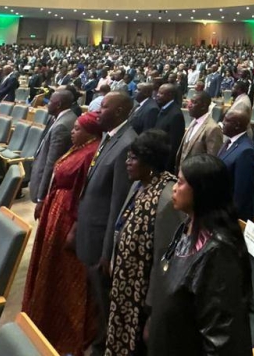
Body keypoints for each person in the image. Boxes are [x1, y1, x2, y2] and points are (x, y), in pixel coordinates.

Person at [148, 154, 253, 356]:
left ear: (201, 190)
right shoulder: (187, 226)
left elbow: (221, 340)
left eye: (180, 182)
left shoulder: (220, 254)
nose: (174, 188)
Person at [23, 111, 103, 355]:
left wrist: (73, 228)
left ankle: (66, 328)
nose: (72, 131)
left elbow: (83, 195)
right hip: (55, 211)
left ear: (90, 132)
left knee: (66, 275)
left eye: (77, 129)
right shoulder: (80, 147)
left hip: (67, 218)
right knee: (50, 266)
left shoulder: (91, 153)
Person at [106, 130, 183, 356]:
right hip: (125, 288)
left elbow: (165, 261)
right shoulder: (139, 184)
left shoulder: (167, 199)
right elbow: (121, 227)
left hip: (144, 301)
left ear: (149, 162)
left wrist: (152, 310)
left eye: (133, 158)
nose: (127, 163)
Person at [76, 91, 137, 347]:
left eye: (104, 107)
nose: (98, 111)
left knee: (105, 301)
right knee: (95, 297)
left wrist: (108, 252)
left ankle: (104, 346)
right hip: (91, 231)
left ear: (120, 112)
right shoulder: (110, 136)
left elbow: (118, 204)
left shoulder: (126, 144)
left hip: (102, 239)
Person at [29, 88, 77, 214]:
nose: (47, 104)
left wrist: (41, 198)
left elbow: (52, 164)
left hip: (49, 184)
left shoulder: (62, 126)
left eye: (50, 101)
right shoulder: (58, 118)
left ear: (58, 105)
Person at [218, 104, 254, 220]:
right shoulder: (229, 142)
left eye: (227, 121)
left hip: (231, 218)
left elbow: (241, 194)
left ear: (237, 125)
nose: (223, 123)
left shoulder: (246, 152)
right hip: (219, 209)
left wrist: (229, 219)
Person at [178, 92, 223, 166]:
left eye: (194, 102)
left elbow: (212, 161)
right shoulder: (194, 121)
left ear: (203, 106)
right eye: (190, 101)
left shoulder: (213, 129)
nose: (189, 105)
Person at [152, 83, 186, 172]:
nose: (157, 95)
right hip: (156, 157)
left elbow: (174, 145)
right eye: (158, 93)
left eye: (161, 93)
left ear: (170, 95)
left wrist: (167, 168)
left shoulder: (176, 115)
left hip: (164, 163)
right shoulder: (163, 108)